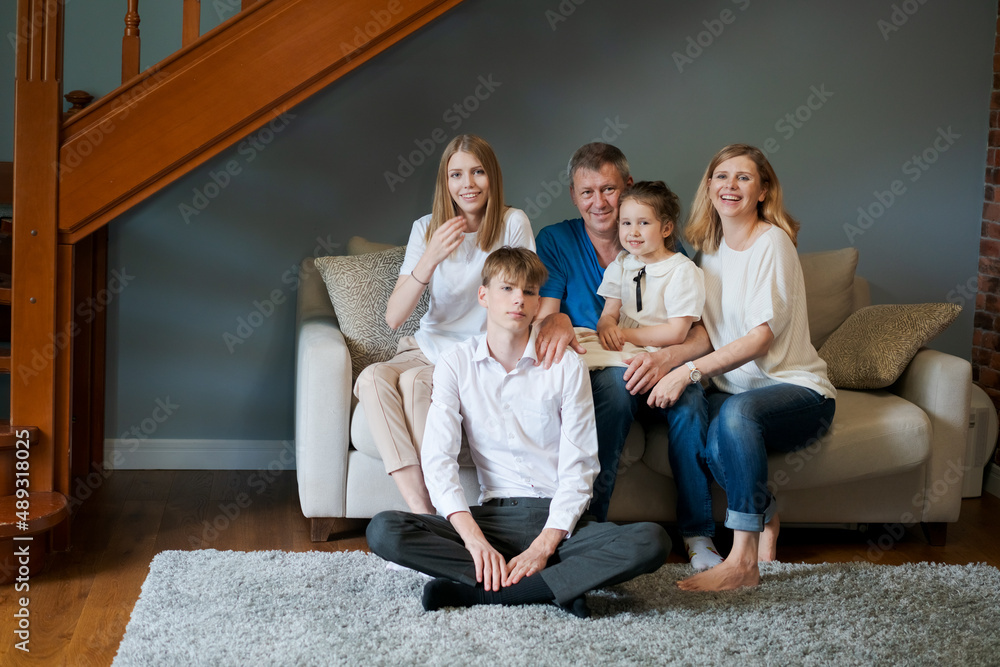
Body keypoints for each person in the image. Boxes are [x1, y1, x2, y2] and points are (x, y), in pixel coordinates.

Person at [366, 247, 670, 617]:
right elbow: (438, 461)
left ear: (538, 301)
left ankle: (483, 593)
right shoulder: (455, 364)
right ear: (483, 296)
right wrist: (475, 542)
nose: (518, 300)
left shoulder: (565, 365)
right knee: (384, 530)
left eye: (529, 292)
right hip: (492, 518)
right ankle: (559, 586)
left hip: (559, 522)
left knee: (652, 540)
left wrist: (544, 547)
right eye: (507, 289)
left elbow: (581, 466)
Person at [651, 144, 837, 591]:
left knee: (736, 415)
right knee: (710, 443)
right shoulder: (708, 252)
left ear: (763, 190)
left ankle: (742, 562)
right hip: (736, 390)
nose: (729, 186)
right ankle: (766, 515)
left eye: (743, 177)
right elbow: (706, 330)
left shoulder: (772, 242)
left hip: (796, 391)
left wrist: (689, 372)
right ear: (709, 186)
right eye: (721, 176)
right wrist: (663, 358)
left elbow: (759, 338)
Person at [354, 135, 534, 515]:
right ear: (445, 182)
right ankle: (425, 512)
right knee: (370, 378)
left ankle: (441, 510)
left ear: (492, 177)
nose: (467, 184)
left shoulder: (511, 223)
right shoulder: (425, 228)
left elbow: (524, 297)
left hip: (474, 352)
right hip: (425, 345)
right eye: (456, 174)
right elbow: (393, 317)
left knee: (416, 383)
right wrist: (430, 256)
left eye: (477, 172)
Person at [534, 143, 709, 521]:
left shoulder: (663, 247)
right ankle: (587, 523)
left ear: (628, 187)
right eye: (587, 192)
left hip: (657, 360)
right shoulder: (556, 241)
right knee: (616, 385)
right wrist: (560, 320)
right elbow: (546, 318)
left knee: (692, 399)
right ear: (573, 196)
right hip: (604, 367)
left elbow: (700, 332)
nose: (598, 202)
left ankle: (698, 530)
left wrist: (666, 360)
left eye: (609, 189)